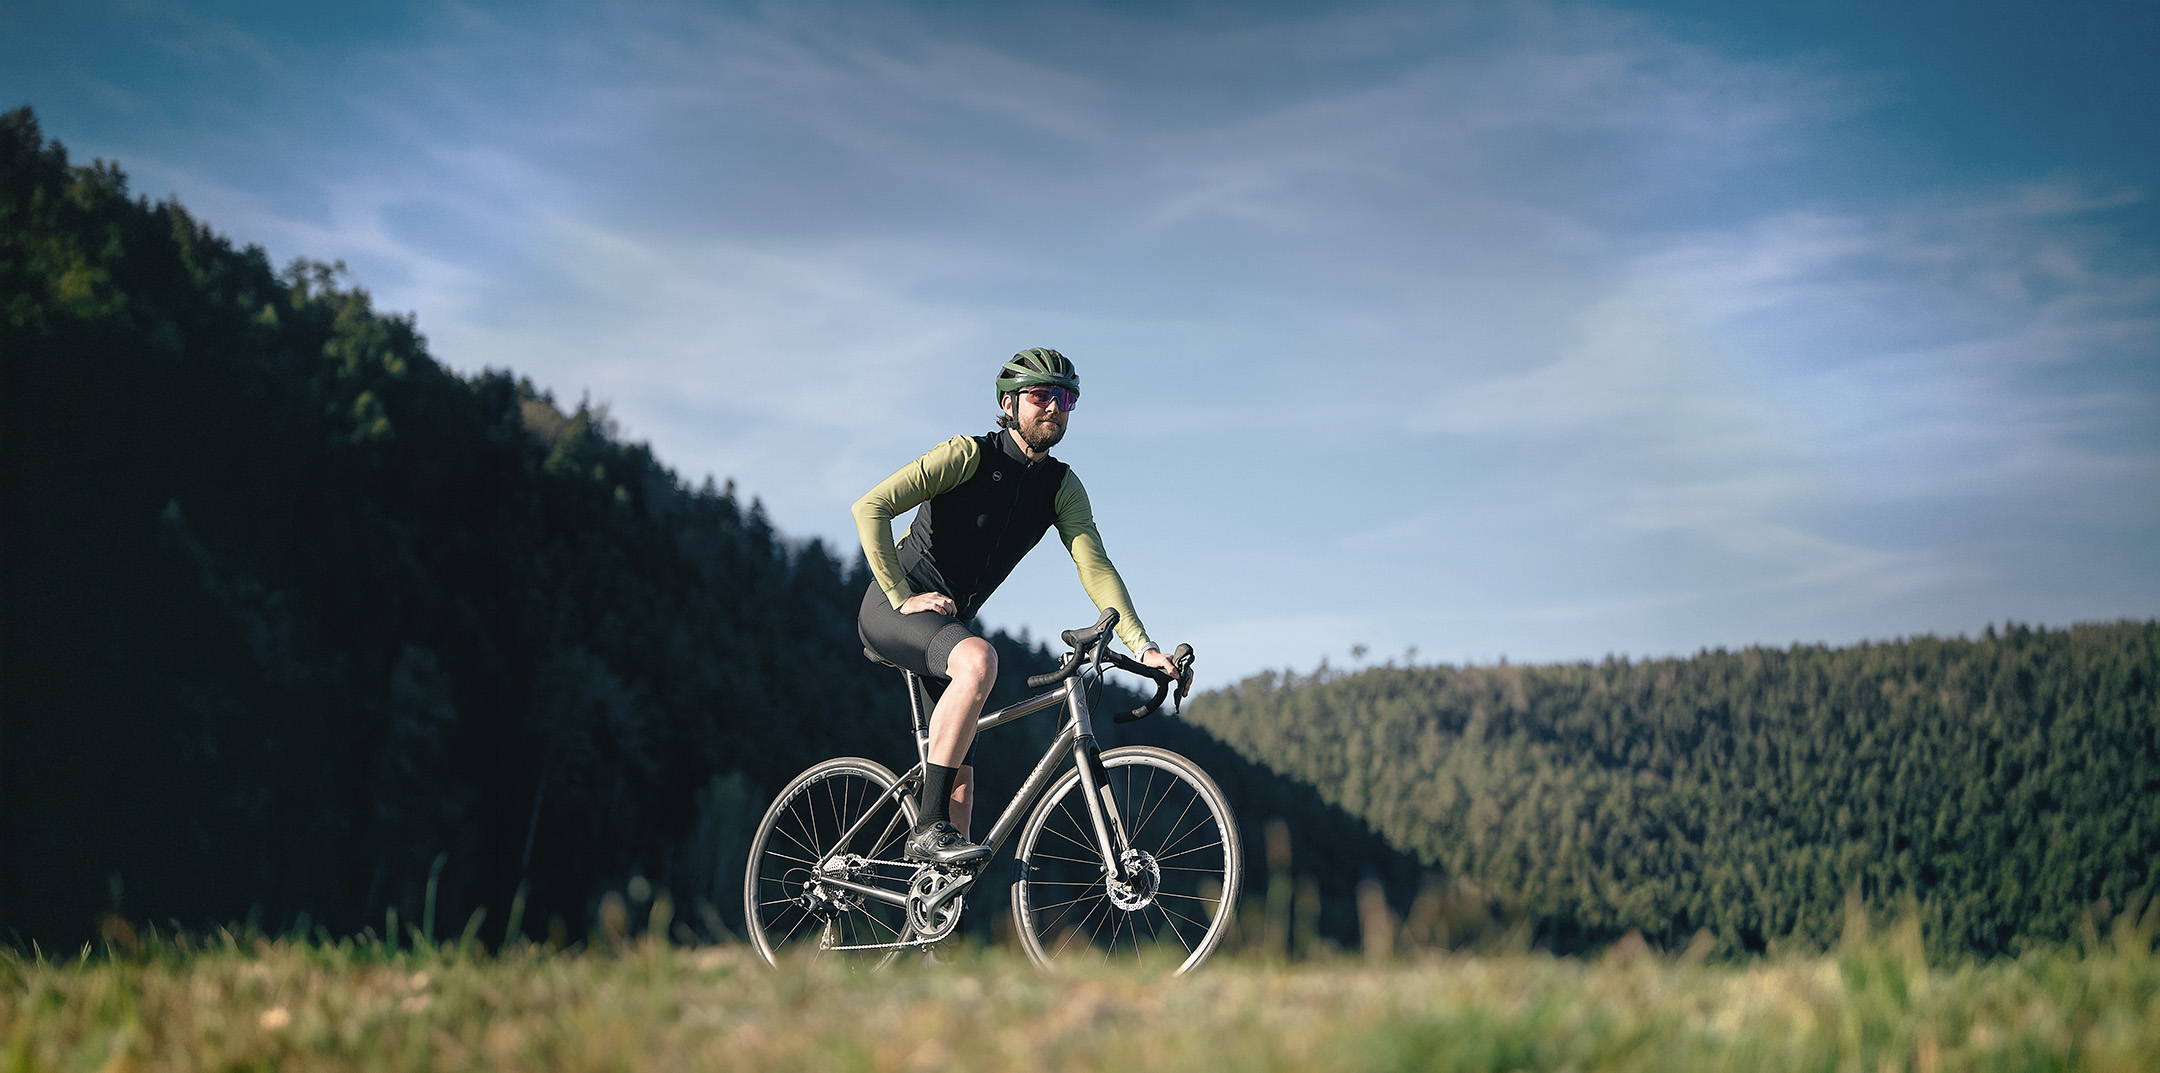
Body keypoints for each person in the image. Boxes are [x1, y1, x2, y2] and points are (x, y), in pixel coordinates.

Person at [852, 347, 1185, 866]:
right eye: (1041, 395)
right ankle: (924, 831)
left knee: (962, 782)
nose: (1055, 407)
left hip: (948, 624)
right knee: (979, 661)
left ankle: (933, 928)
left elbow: (1096, 568)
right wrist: (902, 594)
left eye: (1067, 397)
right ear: (1009, 403)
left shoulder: (1060, 487)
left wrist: (1144, 647)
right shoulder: (967, 455)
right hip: (895, 610)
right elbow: (870, 507)